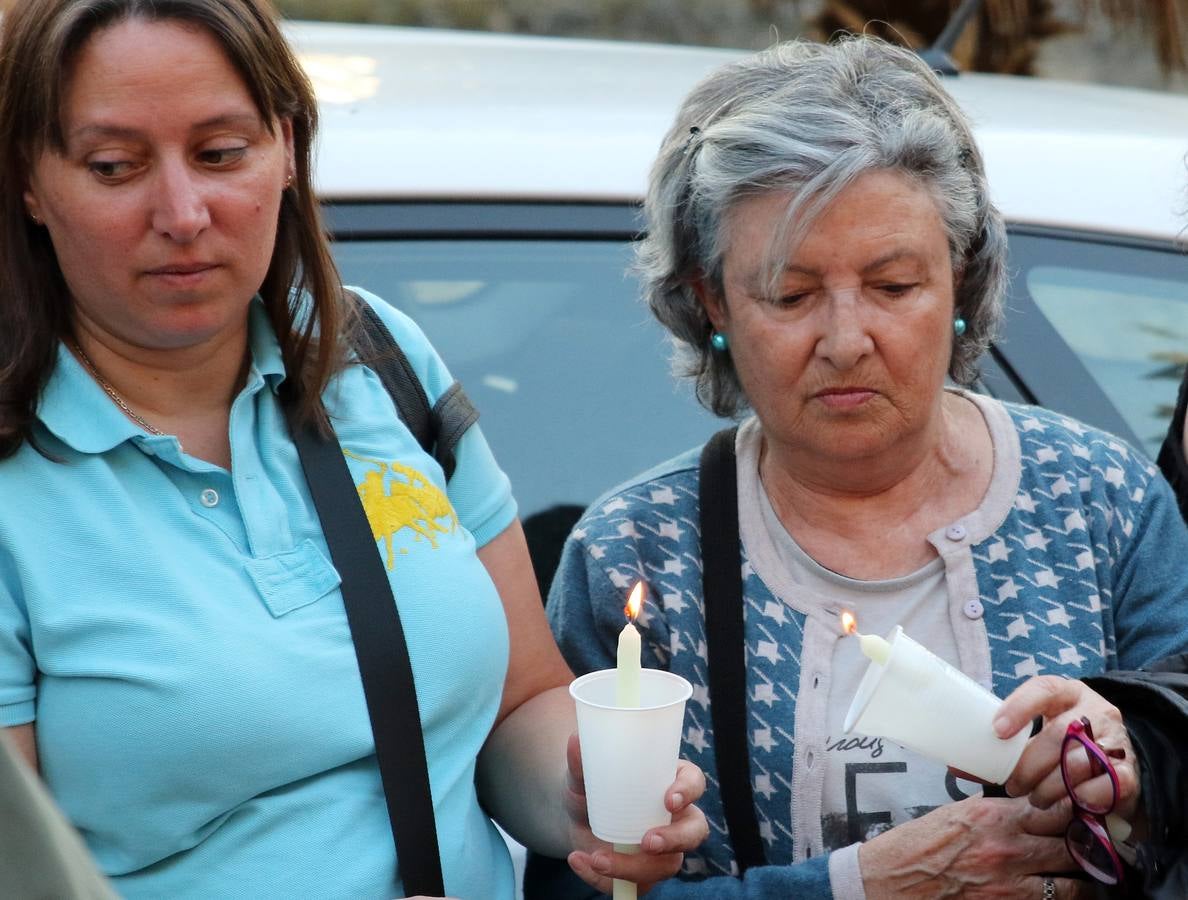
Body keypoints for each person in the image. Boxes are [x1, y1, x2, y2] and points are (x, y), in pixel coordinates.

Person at [0, 1, 708, 897]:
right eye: (115, 166)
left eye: (220, 153)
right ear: (30, 178)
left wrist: (584, 800)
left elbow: (516, 702)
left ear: (287, 148)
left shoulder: (377, 358)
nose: (182, 212)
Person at [543, 35, 1188, 898]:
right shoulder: (637, 556)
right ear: (712, 303)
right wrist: (858, 886)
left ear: (960, 280)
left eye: (893, 286)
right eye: (790, 295)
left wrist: (1135, 749)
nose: (846, 342)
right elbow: (577, 887)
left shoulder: (1103, 504)